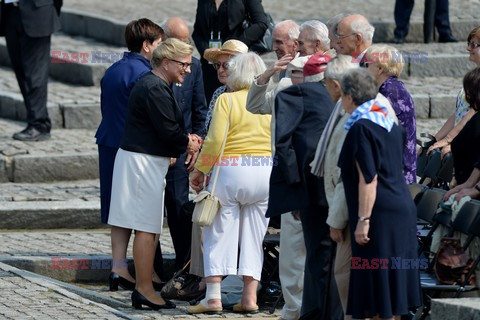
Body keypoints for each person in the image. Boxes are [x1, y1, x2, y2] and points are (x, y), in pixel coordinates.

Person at [107, 38, 202, 310]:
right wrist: (189, 142)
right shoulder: (154, 88)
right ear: (165, 62)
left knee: (148, 229)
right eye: (183, 64)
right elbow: (169, 131)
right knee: (147, 230)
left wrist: (183, 141)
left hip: (144, 160)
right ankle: (145, 289)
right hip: (142, 163)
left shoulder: (157, 84)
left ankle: (143, 286)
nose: (187, 69)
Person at [188, 52, 272, 314]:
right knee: (254, 236)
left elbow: (214, 141)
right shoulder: (270, 99)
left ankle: (213, 297)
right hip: (264, 170)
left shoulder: (227, 99)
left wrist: (200, 170)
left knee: (218, 231)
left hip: (232, 169)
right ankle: (249, 298)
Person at [338, 68, 421, 319]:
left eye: (342, 95)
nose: (340, 100)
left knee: (377, 293)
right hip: (401, 210)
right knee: (391, 293)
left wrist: (363, 221)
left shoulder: (361, 128)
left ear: (351, 97)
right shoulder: (388, 123)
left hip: (378, 214)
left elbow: (368, 178)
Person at [267, 54, 344, 319]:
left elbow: (284, 145)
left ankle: (313, 312)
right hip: (324, 191)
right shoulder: (311, 97)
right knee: (325, 258)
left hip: (313, 190)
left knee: (318, 257)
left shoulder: (299, 95)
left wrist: (294, 186)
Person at [95, 19, 164, 291]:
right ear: (147, 46)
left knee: (118, 209)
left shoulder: (114, 69)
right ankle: (149, 275)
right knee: (143, 211)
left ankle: (118, 267)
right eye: (159, 44)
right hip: (134, 149)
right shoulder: (144, 75)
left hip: (109, 143)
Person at [310, 55, 359, 320]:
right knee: (343, 273)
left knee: (345, 274)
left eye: (327, 84)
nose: (325, 89)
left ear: (337, 86)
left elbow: (345, 175)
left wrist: (336, 220)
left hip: (351, 210)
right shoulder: (342, 111)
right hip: (345, 207)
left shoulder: (350, 117)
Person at [162, 17, 208, 270]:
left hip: (183, 152)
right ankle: (154, 268)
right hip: (158, 150)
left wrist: (197, 143)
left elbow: (199, 109)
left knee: (180, 209)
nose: (185, 45)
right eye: (179, 41)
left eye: (187, 41)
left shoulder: (195, 67)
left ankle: (184, 266)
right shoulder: (155, 69)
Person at [0, 0, 62, 141]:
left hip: (37, 13)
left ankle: (39, 124)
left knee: (35, 73)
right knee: (21, 71)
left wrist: (49, 10)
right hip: (10, 13)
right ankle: (38, 121)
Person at [192, 0, 268, 102]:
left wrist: (234, 46)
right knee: (211, 102)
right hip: (211, 62)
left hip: (236, 61)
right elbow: (197, 31)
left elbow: (260, 23)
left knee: (235, 101)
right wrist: (205, 50)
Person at [424, 26, 480, 158]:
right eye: (469, 44)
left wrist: (450, 140)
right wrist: (435, 139)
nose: (468, 49)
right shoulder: (474, 77)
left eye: (473, 45)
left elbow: (474, 113)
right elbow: (459, 113)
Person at [365, 44, 417, 184]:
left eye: (366, 64)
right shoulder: (391, 87)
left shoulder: (390, 91)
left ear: (380, 69)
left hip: (397, 173)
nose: (363, 69)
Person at [203, 39, 249, 133]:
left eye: (226, 65)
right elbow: (208, 127)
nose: (220, 70)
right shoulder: (219, 92)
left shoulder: (249, 94)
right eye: (218, 65)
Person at [449, 68, 480, 186]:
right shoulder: (475, 118)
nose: (467, 95)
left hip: (470, 188)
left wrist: (470, 186)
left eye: (469, 91)